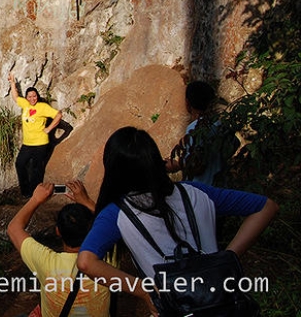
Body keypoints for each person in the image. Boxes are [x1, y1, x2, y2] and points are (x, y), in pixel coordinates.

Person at [76, 127, 279, 315]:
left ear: (113, 172)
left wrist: (144, 291)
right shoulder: (196, 192)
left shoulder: (116, 213)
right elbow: (266, 207)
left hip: (174, 306)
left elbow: (86, 262)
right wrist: (227, 257)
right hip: (221, 300)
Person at [7, 180, 110, 317]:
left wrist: (35, 199)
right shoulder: (108, 257)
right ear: (92, 229)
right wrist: (86, 201)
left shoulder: (46, 263)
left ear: (58, 231)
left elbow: (13, 228)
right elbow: (110, 225)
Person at [165, 80, 229, 185]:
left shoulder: (194, 128)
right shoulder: (220, 124)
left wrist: (177, 165)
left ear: (187, 103)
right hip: (222, 185)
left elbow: (197, 166)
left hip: (203, 187)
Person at [9, 72, 63, 197]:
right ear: (27, 98)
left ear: (37, 96)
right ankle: (25, 192)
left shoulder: (42, 107)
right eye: (30, 96)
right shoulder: (26, 105)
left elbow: (58, 115)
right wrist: (12, 83)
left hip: (40, 143)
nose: (32, 98)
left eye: (34, 96)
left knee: (37, 168)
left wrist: (49, 129)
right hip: (27, 143)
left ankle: (35, 193)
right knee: (20, 164)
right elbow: (15, 97)